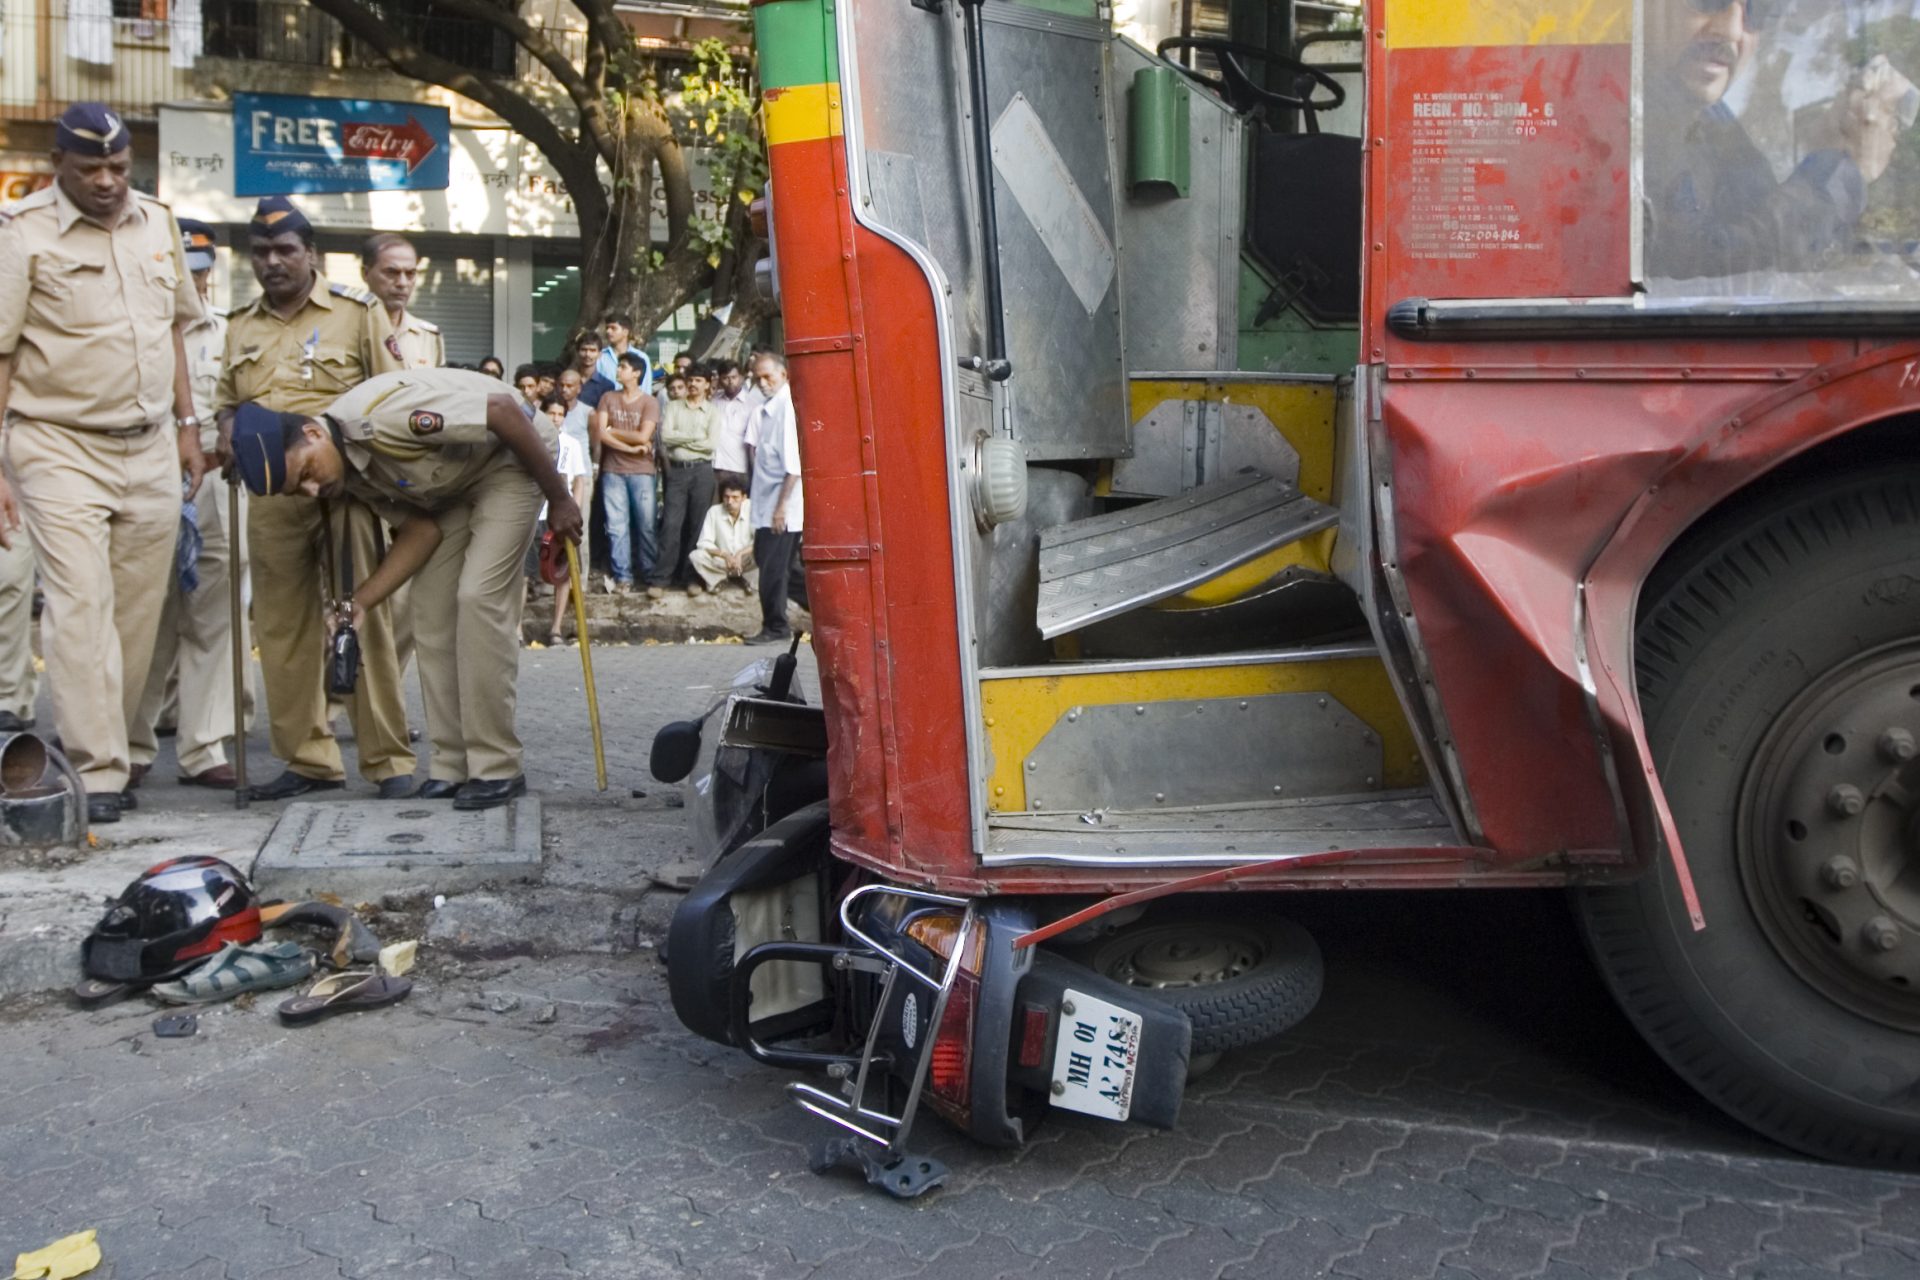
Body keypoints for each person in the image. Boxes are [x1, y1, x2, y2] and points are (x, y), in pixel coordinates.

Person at [231, 368, 582, 809]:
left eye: (306, 472)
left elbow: (503, 412)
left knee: (477, 598)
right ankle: (452, 766)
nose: (314, 488)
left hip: (511, 461)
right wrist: (358, 603)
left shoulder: (379, 421)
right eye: (299, 489)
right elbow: (422, 534)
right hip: (457, 485)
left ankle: (497, 767)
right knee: (429, 608)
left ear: (312, 434)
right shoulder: (346, 470)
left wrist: (561, 499)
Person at [0, 103, 208, 823]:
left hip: (149, 443)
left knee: (137, 616)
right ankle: (97, 770)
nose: (107, 181)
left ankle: (115, 740)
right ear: (59, 163)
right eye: (91, 168)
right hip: (57, 443)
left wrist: (188, 425)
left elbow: (175, 329)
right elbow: (1, 354)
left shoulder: (158, 221)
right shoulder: (22, 234)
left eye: (118, 167)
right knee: (81, 608)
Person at [214, 195, 414, 802]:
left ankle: (388, 760)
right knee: (281, 626)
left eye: (286, 250)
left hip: (343, 490)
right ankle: (308, 758)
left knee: (361, 617)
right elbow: (227, 402)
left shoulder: (358, 314)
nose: (273, 262)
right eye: (262, 252)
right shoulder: (239, 325)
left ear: (312, 255)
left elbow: (390, 397)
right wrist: (227, 434)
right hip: (271, 495)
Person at [1645, 0, 1914, 281]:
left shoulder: (1711, 122)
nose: (1733, 31)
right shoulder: (1622, 122)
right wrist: (1844, 172)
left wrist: (1829, 152)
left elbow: (1759, 233)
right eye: (1708, 2)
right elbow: (1706, 267)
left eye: (1756, 12)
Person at [129, 217, 251, 791]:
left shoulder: (230, 331)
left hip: (214, 484)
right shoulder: (134, 325)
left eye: (198, 271)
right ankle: (128, 744)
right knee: (144, 620)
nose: (191, 282)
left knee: (212, 620)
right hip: (144, 480)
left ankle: (203, 748)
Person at [745, 352, 808, 644]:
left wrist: (781, 508)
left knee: (772, 567)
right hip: (768, 503)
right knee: (782, 567)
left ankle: (775, 625)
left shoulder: (785, 409)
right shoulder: (768, 408)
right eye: (758, 377)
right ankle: (825, 604)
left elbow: (793, 467)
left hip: (781, 506)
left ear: (783, 375)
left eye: (768, 376)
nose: (763, 382)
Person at [648, 364, 720, 598]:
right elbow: (666, 437)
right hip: (677, 472)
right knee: (671, 524)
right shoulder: (673, 406)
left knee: (697, 525)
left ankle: (691, 578)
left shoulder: (712, 411)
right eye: (691, 380)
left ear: (707, 384)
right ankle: (661, 579)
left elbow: (711, 444)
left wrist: (684, 440)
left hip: (702, 471)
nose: (693, 384)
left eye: (699, 380)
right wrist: (695, 438)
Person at [594, 351, 659, 592]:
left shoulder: (649, 402)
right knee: (616, 526)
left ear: (637, 373)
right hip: (613, 470)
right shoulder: (608, 397)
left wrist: (613, 429)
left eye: (623, 367)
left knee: (646, 525)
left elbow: (644, 435)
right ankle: (623, 577)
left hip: (643, 472)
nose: (618, 370)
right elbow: (600, 433)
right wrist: (630, 448)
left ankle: (650, 574)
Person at [537, 396, 593, 645]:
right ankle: (515, 631)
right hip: (536, 513)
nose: (556, 418)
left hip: (562, 516)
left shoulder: (571, 443)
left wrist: (576, 508)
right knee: (524, 573)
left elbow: (578, 479)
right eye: (551, 413)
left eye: (560, 414)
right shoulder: (533, 442)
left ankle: (556, 629)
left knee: (564, 572)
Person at [361, 233, 442, 369]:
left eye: (410, 274)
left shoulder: (428, 337)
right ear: (365, 274)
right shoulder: (344, 329)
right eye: (391, 272)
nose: (402, 283)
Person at [690, 477, 755, 595]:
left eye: (735, 497)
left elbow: (760, 541)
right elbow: (703, 543)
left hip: (745, 561)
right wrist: (725, 555)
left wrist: (741, 554)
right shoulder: (714, 512)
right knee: (696, 556)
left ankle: (748, 580)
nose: (729, 501)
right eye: (726, 497)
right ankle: (720, 580)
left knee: (765, 552)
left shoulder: (752, 509)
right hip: (724, 563)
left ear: (744, 498)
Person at [711, 358, 755, 495]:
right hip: (715, 466)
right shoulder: (714, 401)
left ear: (741, 377)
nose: (730, 381)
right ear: (719, 379)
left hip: (739, 467)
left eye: (734, 377)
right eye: (725, 378)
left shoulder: (751, 403)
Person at [595, 314, 652, 397]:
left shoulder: (641, 357)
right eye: (607, 328)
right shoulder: (600, 356)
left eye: (613, 328)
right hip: (605, 406)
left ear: (625, 332)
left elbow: (645, 389)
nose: (608, 331)